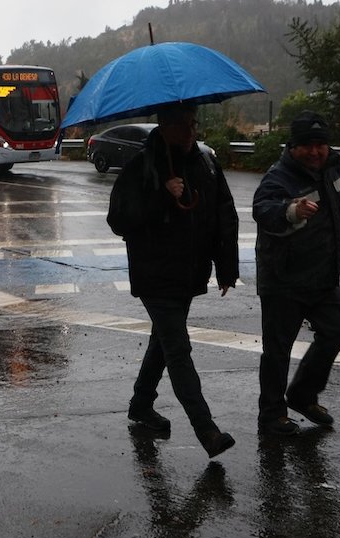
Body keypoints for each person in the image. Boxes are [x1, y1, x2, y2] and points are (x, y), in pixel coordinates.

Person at [107, 101, 238, 459]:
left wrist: (227, 267)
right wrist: (161, 195)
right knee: (178, 350)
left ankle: (140, 404)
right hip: (155, 275)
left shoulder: (206, 162)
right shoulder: (140, 167)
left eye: (194, 124)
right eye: (184, 125)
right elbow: (119, 219)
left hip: (189, 274)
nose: (191, 131)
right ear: (163, 126)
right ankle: (206, 430)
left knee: (163, 342)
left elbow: (224, 212)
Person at [251, 111, 340, 436]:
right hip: (284, 279)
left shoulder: (333, 170)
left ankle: (302, 395)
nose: (314, 151)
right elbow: (263, 209)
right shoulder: (279, 177)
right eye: (307, 145)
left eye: (320, 144)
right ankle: (271, 416)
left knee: (336, 330)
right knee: (277, 350)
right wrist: (290, 211)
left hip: (323, 278)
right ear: (293, 147)